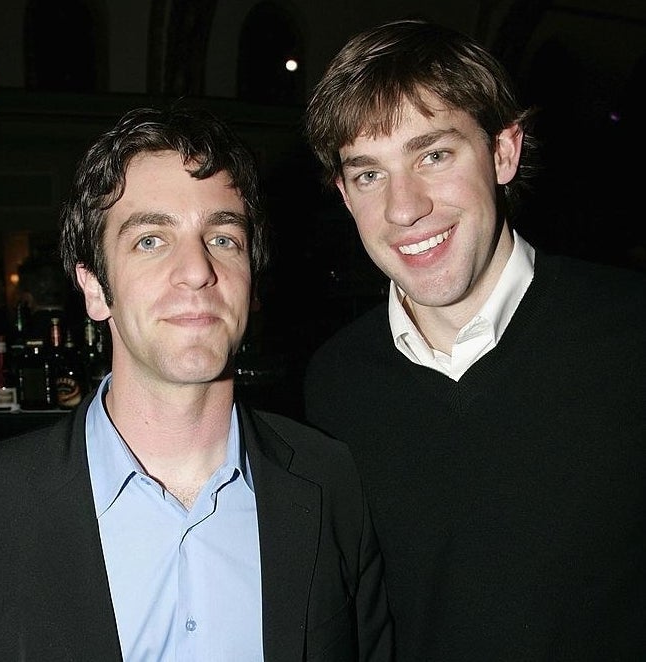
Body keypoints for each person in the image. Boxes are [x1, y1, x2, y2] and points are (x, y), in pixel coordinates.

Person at [0, 104, 394, 661]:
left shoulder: (333, 483)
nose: (197, 270)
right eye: (150, 240)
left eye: (223, 239)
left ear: (252, 283)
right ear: (95, 289)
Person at [303, 18, 646, 661]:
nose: (404, 208)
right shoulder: (331, 385)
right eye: (369, 174)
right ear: (345, 195)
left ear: (503, 152)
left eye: (433, 154)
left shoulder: (632, 336)